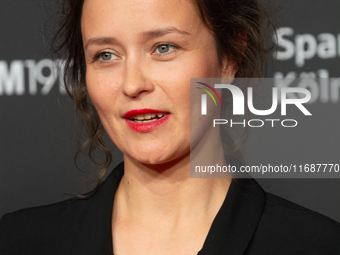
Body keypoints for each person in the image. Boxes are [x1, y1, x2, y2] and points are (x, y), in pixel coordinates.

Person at [1, 0, 340, 254]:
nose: (133, 84)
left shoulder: (315, 245)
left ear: (229, 58)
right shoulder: (19, 241)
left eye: (164, 48)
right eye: (106, 55)